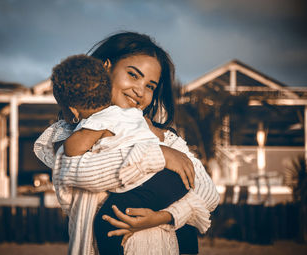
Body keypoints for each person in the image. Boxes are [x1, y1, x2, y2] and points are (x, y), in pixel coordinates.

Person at [34, 31, 220, 255]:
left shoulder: (166, 137)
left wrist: (162, 217)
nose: (140, 90)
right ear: (105, 68)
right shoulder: (77, 134)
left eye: (150, 86)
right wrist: (157, 155)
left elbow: (208, 194)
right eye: (133, 75)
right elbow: (80, 175)